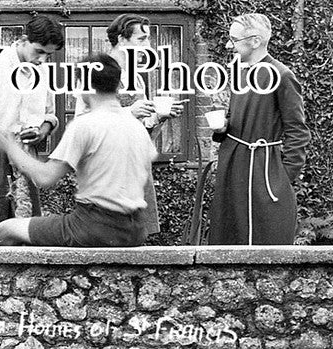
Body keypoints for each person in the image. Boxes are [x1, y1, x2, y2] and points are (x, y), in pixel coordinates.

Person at [0, 54, 157, 247]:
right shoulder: (137, 126)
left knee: (6, 229)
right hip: (136, 230)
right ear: (118, 86)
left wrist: (10, 146)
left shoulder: (85, 124)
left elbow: (45, 178)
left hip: (94, 227)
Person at [73, 14, 186, 238]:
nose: (148, 46)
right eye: (141, 39)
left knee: (134, 235)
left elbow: (141, 130)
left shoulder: (136, 78)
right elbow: (81, 122)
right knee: (106, 234)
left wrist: (158, 117)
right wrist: (129, 112)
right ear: (122, 40)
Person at [208, 13, 309, 245]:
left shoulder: (283, 76)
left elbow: (298, 131)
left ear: (254, 41)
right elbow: (237, 118)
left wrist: (283, 177)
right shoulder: (239, 72)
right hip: (233, 164)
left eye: (233, 40)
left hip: (263, 168)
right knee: (228, 236)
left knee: (265, 238)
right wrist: (223, 126)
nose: (227, 45)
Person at [0, 15, 63, 245]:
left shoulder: (43, 71)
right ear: (24, 40)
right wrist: (6, 142)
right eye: (38, 51)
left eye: (47, 54)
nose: (42, 58)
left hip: (26, 153)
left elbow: (50, 115)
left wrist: (41, 131)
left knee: (27, 227)